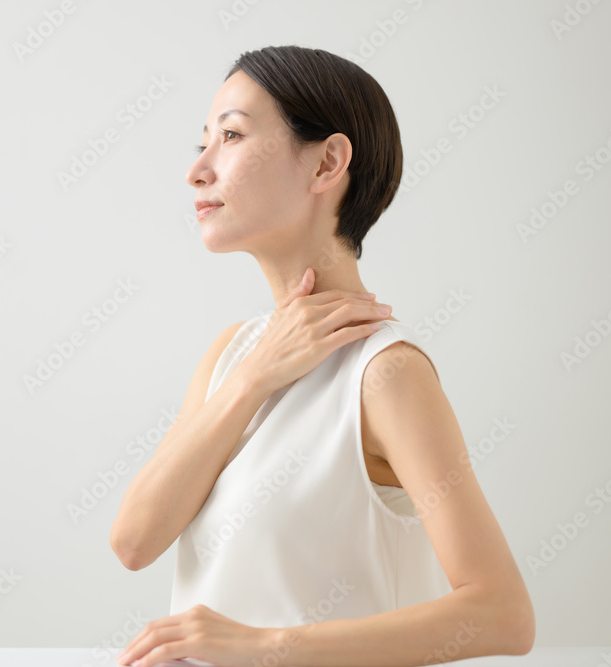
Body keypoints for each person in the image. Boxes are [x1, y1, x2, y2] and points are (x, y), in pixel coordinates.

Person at [109, 45, 534, 667]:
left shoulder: (386, 372)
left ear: (327, 163)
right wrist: (254, 377)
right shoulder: (232, 356)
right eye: (203, 142)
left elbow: (502, 615)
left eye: (231, 136)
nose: (197, 170)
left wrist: (263, 646)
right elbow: (134, 542)